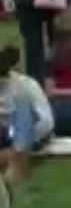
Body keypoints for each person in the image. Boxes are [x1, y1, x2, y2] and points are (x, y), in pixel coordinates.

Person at [0, 46, 53, 184]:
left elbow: (46, 121)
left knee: (23, 107)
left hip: (26, 132)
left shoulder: (25, 85)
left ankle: (16, 160)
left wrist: (22, 142)